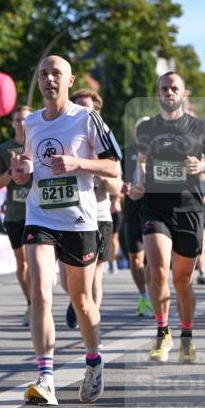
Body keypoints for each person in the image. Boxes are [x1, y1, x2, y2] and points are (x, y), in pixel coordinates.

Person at [10, 55, 121, 406]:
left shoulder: (86, 118)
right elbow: (31, 166)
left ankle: (93, 360)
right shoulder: (31, 123)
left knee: (82, 300)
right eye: (43, 73)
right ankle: (46, 377)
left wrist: (78, 163)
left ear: (69, 81)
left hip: (80, 221)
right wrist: (21, 172)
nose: (48, 79)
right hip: (40, 217)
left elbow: (114, 167)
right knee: (40, 291)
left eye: (56, 73)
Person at [129, 72, 205, 363]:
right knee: (157, 269)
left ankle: (187, 335)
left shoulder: (198, 127)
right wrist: (139, 183)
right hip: (155, 208)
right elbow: (142, 163)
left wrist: (204, 164)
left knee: (183, 280)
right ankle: (162, 332)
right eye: (163, 88)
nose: (168, 92)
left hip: (188, 209)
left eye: (174, 88)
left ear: (183, 94)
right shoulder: (147, 129)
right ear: (158, 93)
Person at [61, 88, 122, 344]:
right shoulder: (66, 137)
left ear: (97, 111)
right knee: (67, 279)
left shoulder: (104, 139)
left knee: (95, 276)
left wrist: (98, 174)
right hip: (69, 216)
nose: (84, 113)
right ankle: (77, 300)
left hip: (98, 216)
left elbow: (118, 186)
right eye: (79, 108)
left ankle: (91, 327)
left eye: (89, 108)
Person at [0, 105, 32, 325]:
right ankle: (31, 302)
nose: (21, 123)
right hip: (15, 214)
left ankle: (39, 298)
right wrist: (12, 171)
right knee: (23, 262)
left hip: (39, 214)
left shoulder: (38, 145)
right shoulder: (4, 150)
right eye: (18, 119)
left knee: (37, 261)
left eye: (26, 119)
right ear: (12, 123)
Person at [121, 119, 153, 318]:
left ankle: (153, 292)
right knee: (135, 259)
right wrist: (121, 187)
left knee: (154, 259)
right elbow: (117, 177)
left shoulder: (160, 151)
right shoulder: (126, 153)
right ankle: (145, 295)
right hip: (132, 212)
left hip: (154, 211)